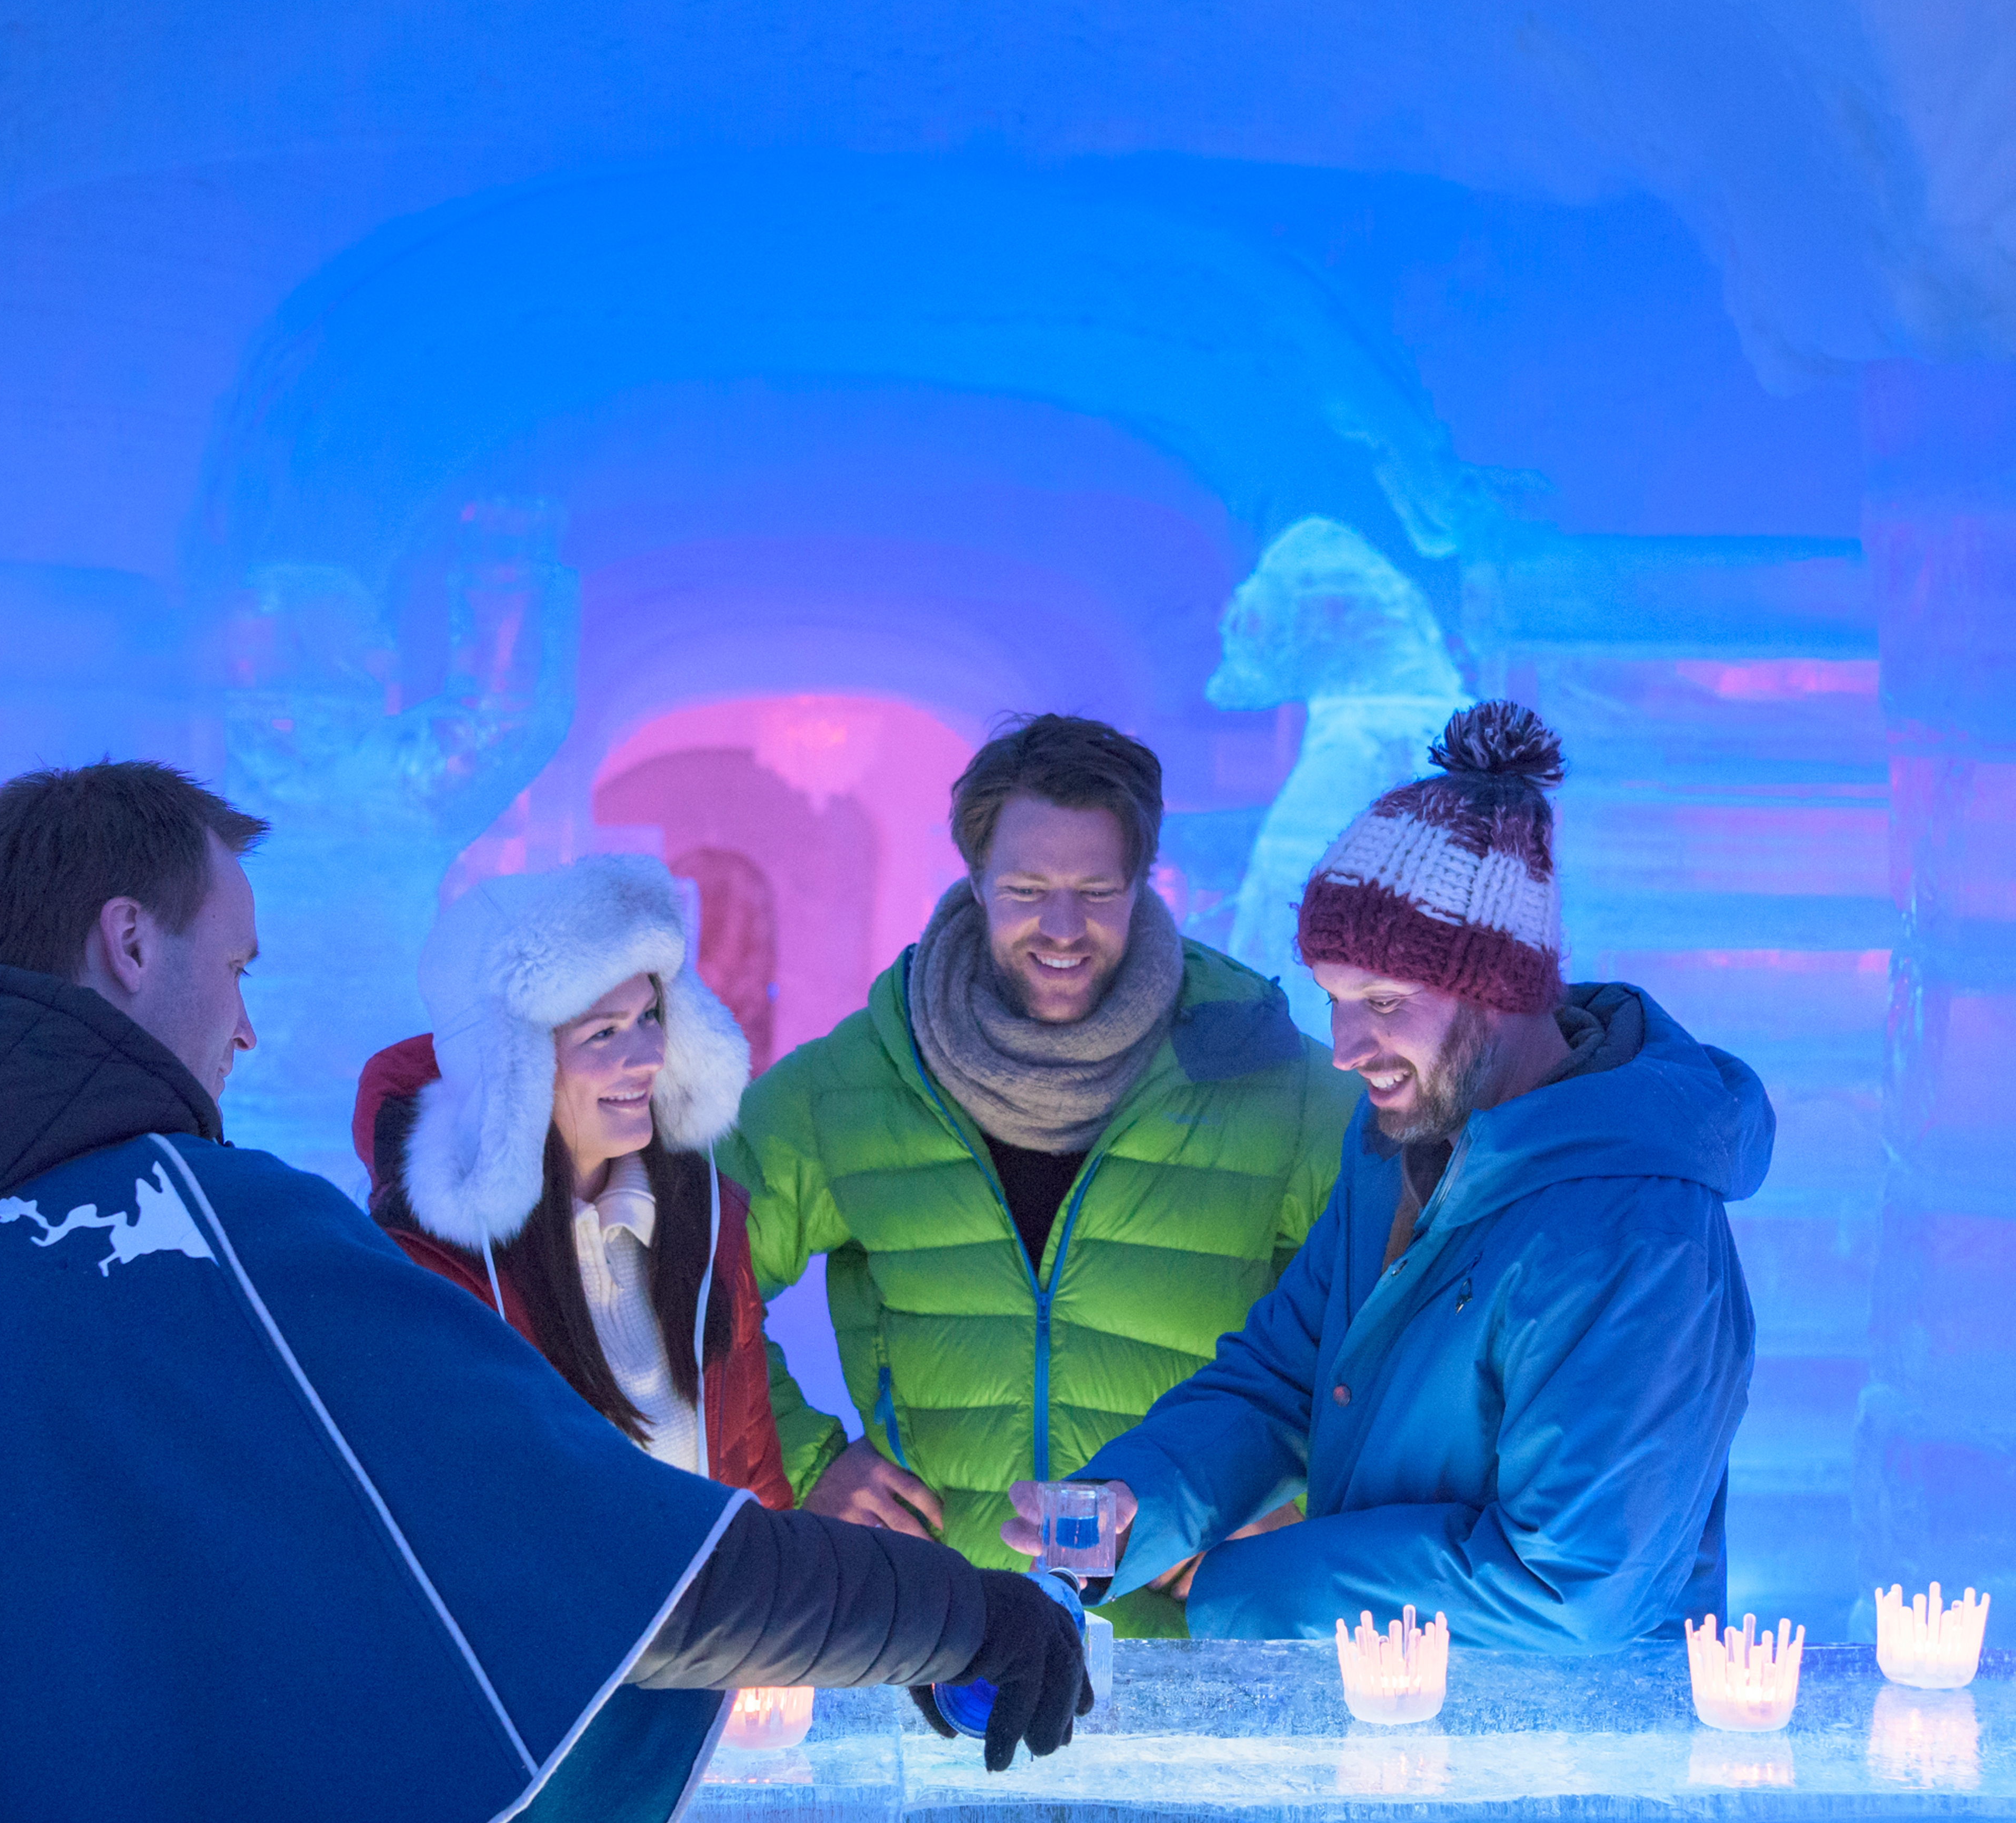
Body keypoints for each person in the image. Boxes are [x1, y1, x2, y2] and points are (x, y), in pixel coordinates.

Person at [0, 762, 1087, 1823]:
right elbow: (614, 1567)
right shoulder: (194, 1248)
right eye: (235, 966)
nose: (244, 1025)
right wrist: (971, 1618)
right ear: (131, 946)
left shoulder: (698, 1215)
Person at [1003, 703, 1774, 1652]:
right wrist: (1139, 1504)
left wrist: (1248, 1587)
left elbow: (1573, 1590)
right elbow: (1282, 1380)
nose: (1344, 1049)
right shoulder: (1403, 1148)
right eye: (1334, 999)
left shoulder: (1633, 1233)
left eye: (1382, 1001)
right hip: (1395, 1718)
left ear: (1503, 993)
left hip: (1567, 1771)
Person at [724, 713, 1358, 1638]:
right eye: (1026, 889)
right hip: (936, 1638)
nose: (1062, 929)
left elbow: (1394, 1311)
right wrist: (805, 1458)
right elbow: (679, 1268)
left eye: (1097, 891)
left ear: (1143, 884)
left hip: (1179, 1661)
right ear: (975, 880)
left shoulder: (1268, 1082)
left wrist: (1289, 1489)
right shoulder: (856, 1084)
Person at [354, 858, 789, 1507]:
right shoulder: (430, 1275)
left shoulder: (707, 1225)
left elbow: (755, 1486)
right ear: (512, 1076)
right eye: (603, 1033)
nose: (648, 1056)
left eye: (649, 1016)